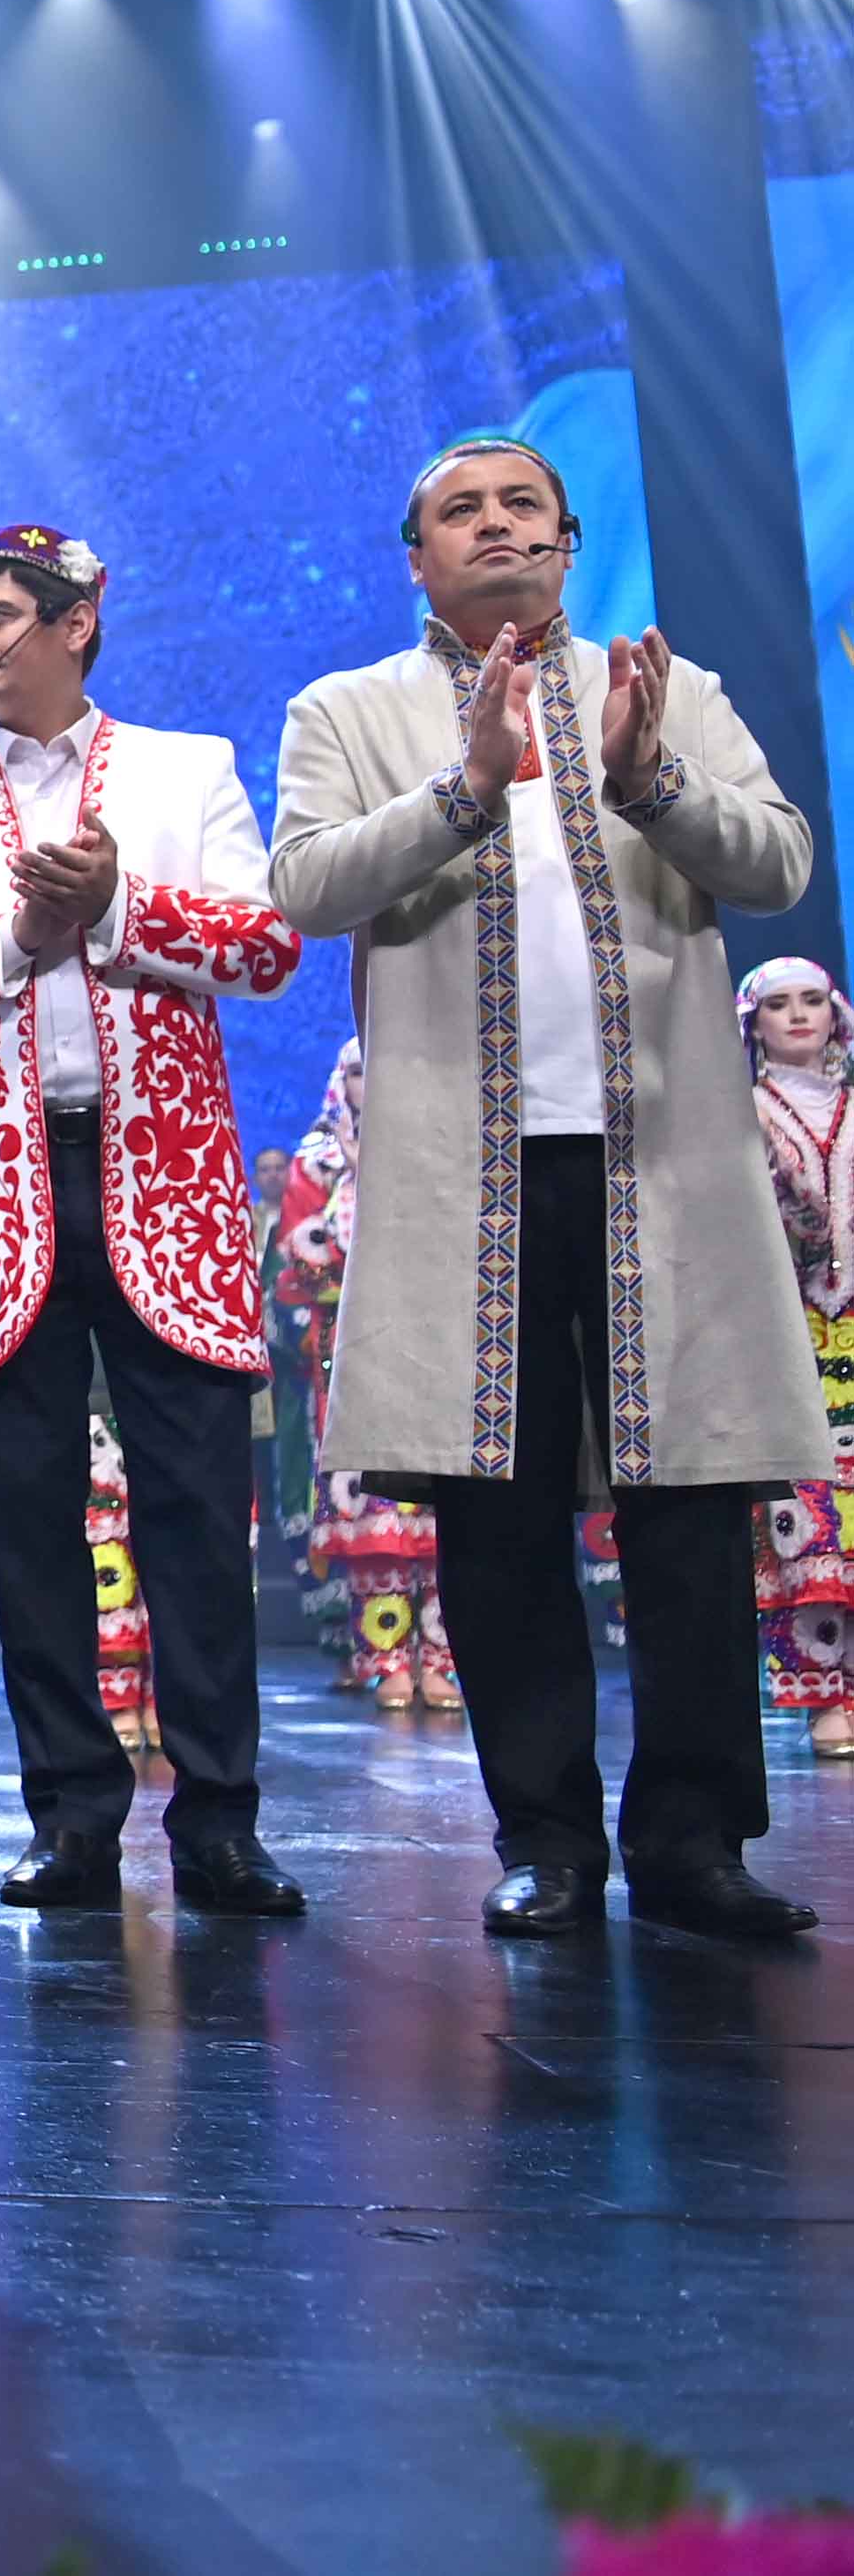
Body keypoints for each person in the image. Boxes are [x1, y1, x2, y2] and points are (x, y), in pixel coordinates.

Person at [269, 432, 824, 1942]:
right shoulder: (349, 710)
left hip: (665, 1161)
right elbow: (305, 884)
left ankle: (693, 1840)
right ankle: (547, 1838)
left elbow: (775, 863)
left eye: (522, 502)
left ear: (565, 539)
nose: (496, 524)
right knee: (496, 1514)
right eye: (461, 510)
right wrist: (462, 787)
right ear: (416, 559)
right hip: (467, 1173)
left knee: (688, 1501)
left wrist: (648, 779)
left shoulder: (667, 688)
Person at [0, 522, 310, 1911]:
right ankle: (67, 1815)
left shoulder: (184, 769)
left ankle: (218, 1818)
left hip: (164, 1177)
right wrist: (13, 940)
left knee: (194, 1510)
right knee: (32, 1520)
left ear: (75, 624)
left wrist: (114, 906)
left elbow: (266, 948)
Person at [266, 1041, 449, 1709]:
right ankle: (386, 1658)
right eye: (358, 1069)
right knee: (372, 1511)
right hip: (349, 1351)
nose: (371, 1079)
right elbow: (301, 1264)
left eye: (381, 1064)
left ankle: (442, 1660)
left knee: (441, 1511)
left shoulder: (438, 1143)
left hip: (433, 1346)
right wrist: (360, 1177)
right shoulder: (314, 1163)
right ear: (339, 1082)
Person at [736, 959, 854, 1758]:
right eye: (778, 1005)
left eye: (811, 1000)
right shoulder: (740, 1113)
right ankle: (823, 1692)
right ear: (753, 1025)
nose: (798, 1015)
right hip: (784, 1333)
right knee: (803, 1514)